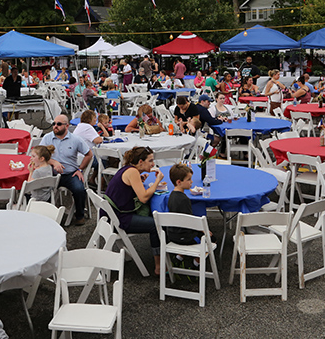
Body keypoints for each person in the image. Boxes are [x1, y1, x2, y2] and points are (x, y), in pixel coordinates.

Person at [103, 146, 163, 274]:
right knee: (156, 224)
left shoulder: (128, 169)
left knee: (154, 217)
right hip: (119, 219)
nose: (153, 164)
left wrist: (139, 180)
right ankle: (159, 266)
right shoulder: (133, 172)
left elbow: (126, 187)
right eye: (150, 160)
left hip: (109, 215)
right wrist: (157, 181)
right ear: (141, 162)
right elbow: (144, 198)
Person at [41, 114, 91, 225]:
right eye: (54, 124)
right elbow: (40, 156)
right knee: (40, 187)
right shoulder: (47, 138)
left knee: (79, 190)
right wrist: (53, 162)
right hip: (51, 173)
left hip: (70, 174)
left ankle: (80, 215)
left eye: (59, 124)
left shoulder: (76, 139)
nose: (55, 126)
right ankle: (45, 215)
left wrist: (80, 169)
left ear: (66, 126)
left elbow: (89, 154)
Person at [166, 163, 213, 257]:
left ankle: (180, 257)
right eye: (189, 179)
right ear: (179, 182)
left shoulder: (171, 196)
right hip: (184, 237)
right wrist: (204, 230)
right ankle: (197, 262)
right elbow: (190, 222)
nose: (191, 182)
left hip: (172, 235)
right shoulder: (184, 200)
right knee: (212, 238)